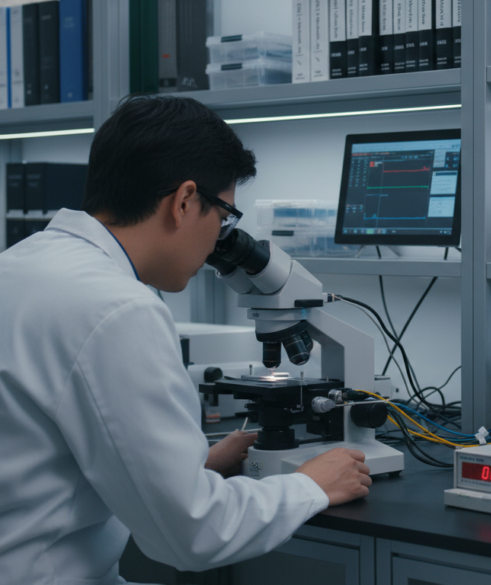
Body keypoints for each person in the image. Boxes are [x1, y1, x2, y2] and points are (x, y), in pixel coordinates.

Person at [0, 95, 371, 584]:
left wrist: (190, 466)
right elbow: (194, 534)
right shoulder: (119, 309)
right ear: (184, 201)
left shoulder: (22, 265)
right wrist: (311, 486)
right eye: (224, 218)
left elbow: (46, 455)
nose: (219, 238)